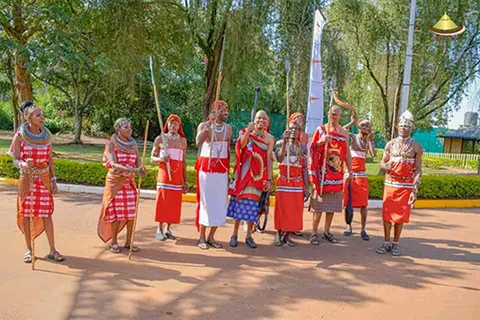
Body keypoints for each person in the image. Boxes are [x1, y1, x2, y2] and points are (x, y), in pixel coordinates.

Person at [9, 101, 65, 263]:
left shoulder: (46, 136)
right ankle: (29, 249)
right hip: (27, 180)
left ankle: (53, 250)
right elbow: (15, 160)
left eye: (42, 115)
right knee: (27, 214)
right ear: (28, 118)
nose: (42, 117)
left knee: (47, 214)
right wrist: (24, 164)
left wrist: (54, 180)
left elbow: (50, 160)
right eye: (38, 115)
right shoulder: (20, 136)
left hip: (44, 179)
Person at [97, 118, 147, 253]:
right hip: (115, 183)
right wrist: (133, 170)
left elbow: (137, 162)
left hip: (129, 183)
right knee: (116, 214)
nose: (130, 129)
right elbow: (113, 164)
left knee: (131, 213)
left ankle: (129, 241)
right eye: (126, 127)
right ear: (118, 129)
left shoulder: (133, 145)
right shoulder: (111, 144)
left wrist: (141, 168)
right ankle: (113, 241)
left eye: (130, 127)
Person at [376, 110, 423, 256]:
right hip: (390, 184)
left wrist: (415, 188)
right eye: (401, 126)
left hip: (405, 186)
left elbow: (418, 170)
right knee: (387, 215)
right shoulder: (390, 144)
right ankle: (386, 242)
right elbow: (381, 163)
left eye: (407, 126)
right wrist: (386, 165)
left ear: (411, 128)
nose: (404, 128)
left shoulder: (416, 147)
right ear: (397, 127)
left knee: (399, 216)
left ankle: (395, 243)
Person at [227, 110, 274, 248]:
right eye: (259, 118)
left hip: (258, 177)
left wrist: (269, 180)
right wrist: (248, 130)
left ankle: (249, 236)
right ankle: (234, 234)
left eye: (264, 118)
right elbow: (240, 146)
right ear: (254, 119)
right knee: (239, 204)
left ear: (268, 122)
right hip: (243, 175)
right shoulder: (246, 132)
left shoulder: (270, 138)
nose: (261, 121)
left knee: (253, 207)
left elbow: (269, 160)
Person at [308, 105, 352, 245]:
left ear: (340, 116)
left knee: (331, 205)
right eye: (332, 114)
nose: (333, 117)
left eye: (336, 114)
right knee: (319, 205)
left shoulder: (344, 133)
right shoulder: (321, 130)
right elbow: (312, 148)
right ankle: (314, 232)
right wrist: (321, 142)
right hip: (322, 174)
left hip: (336, 174)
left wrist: (350, 170)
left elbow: (347, 153)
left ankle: (327, 231)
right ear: (328, 114)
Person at [195, 100, 232, 250]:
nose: (225, 112)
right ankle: (202, 237)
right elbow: (198, 142)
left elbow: (228, 148)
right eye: (222, 110)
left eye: (225, 110)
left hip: (221, 169)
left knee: (219, 203)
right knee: (206, 202)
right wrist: (206, 129)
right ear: (214, 111)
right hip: (207, 169)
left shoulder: (228, 128)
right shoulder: (204, 126)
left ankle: (211, 236)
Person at [273, 114, 309, 247]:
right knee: (281, 208)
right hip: (283, 180)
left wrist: (306, 187)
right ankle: (278, 234)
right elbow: (280, 159)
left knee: (294, 210)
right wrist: (285, 142)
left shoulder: (302, 147)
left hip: (297, 182)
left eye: (297, 129)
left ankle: (287, 235)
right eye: (292, 128)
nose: (294, 131)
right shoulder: (280, 143)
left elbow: (304, 168)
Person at [151, 114, 188, 241]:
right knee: (163, 201)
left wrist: (186, 180)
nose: (173, 126)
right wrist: (161, 159)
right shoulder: (160, 139)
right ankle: (159, 228)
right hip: (164, 176)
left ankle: (168, 228)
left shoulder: (182, 141)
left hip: (177, 178)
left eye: (176, 124)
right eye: (171, 123)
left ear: (179, 126)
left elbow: (183, 162)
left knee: (173, 203)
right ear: (167, 124)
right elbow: (152, 158)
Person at [343, 115, 376, 240]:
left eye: (367, 125)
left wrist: (370, 140)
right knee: (348, 202)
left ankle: (363, 229)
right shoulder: (352, 137)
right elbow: (341, 130)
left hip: (362, 176)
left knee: (364, 205)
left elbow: (373, 154)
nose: (365, 127)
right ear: (358, 127)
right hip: (350, 174)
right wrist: (352, 122)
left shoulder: (367, 140)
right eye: (363, 125)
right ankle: (348, 226)